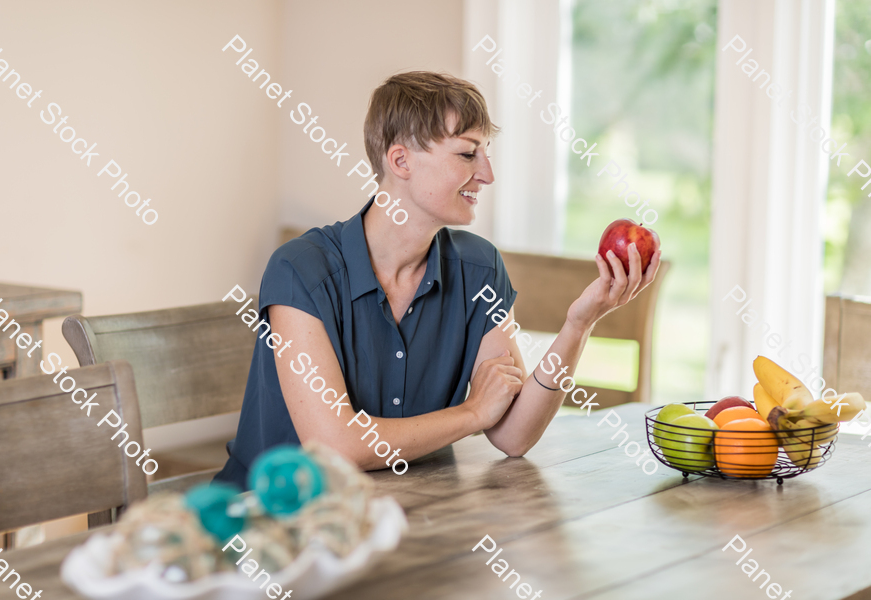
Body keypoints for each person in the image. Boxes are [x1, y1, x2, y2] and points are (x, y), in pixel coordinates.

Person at [214, 71, 661, 489]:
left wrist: (579, 325)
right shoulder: (301, 270)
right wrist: (470, 414)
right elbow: (334, 445)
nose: (487, 174)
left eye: (485, 153)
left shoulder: (478, 268)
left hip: (407, 514)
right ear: (401, 160)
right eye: (468, 153)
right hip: (269, 523)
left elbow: (513, 435)